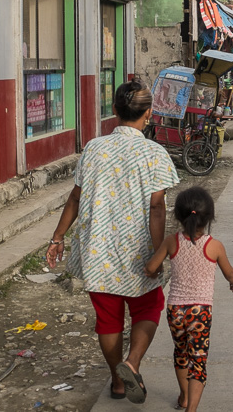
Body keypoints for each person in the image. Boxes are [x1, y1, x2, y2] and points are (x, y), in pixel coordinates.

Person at [46, 80, 179, 404]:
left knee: (108, 318)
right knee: (148, 307)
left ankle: (117, 384)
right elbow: (157, 207)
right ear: (148, 113)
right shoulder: (154, 153)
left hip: (98, 252)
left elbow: (75, 198)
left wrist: (58, 236)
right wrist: (158, 253)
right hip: (139, 251)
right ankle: (131, 363)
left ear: (115, 111)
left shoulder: (94, 148)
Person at [144, 186, 233, 412]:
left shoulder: (171, 242)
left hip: (175, 310)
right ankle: (191, 409)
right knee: (198, 360)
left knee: (181, 352)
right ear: (209, 218)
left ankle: (184, 397)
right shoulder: (214, 246)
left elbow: (150, 267)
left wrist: (152, 271)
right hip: (200, 311)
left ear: (178, 215)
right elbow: (229, 272)